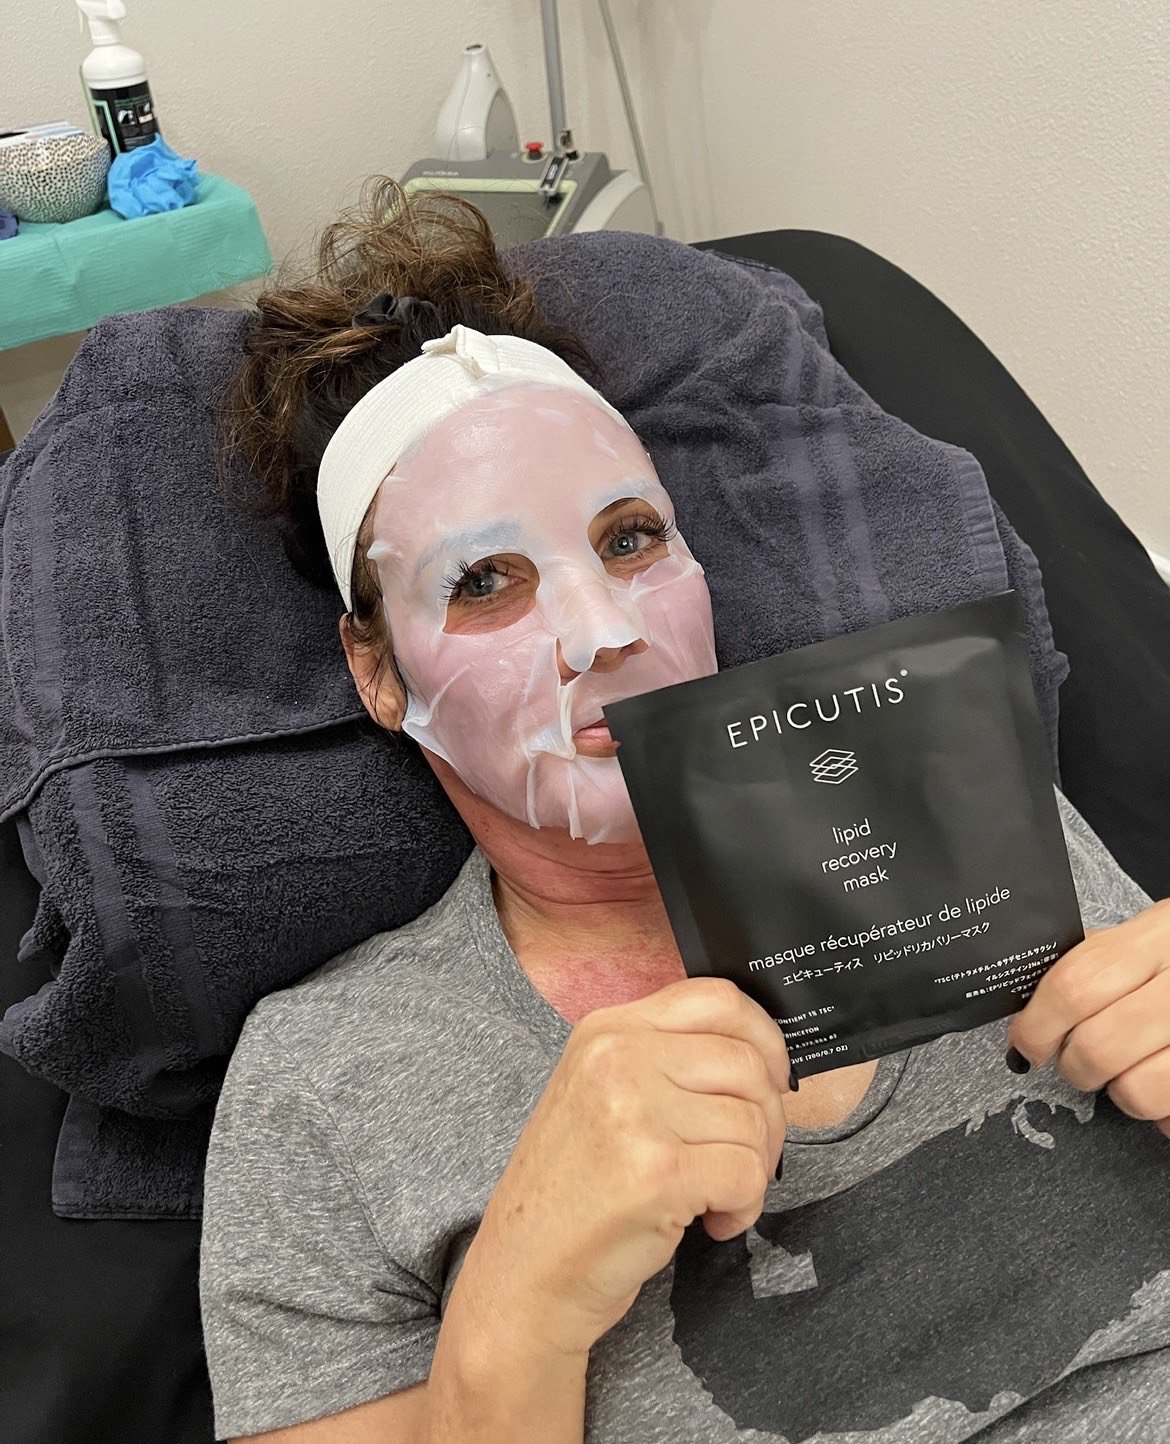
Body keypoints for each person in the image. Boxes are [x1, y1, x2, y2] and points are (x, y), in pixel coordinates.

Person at [199, 178, 1170, 1443]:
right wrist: (515, 1315)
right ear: (378, 673)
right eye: (485, 581)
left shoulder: (964, 801)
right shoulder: (322, 1090)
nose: (603, 633)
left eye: (630, 540)